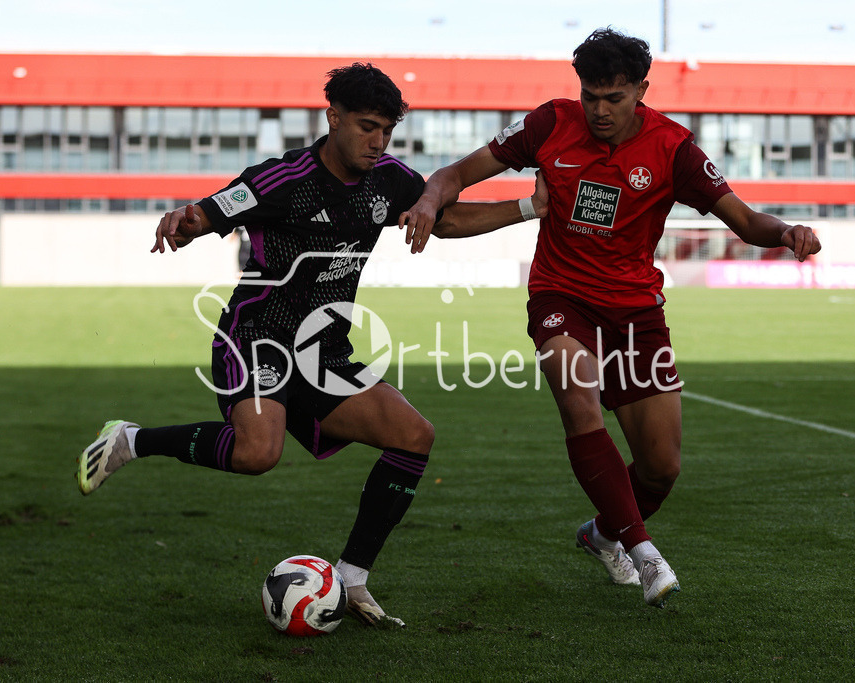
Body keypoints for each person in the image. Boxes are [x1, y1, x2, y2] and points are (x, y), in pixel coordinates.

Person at [77, 63, 545, 628]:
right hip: (256, 339)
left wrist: (529, 208)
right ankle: (132, 440)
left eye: (387, 131)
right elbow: (211, 210)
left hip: (325, 352)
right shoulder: (284, 179)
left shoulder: (389, 178)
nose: (378, 142)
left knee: (413, 436)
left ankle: (351, 578)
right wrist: (186, 219)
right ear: (334, 117)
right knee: (257, 453)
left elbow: (442, 220)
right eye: (367, 127)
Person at [399, 28, 821, 609]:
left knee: (661, 470)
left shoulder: (674, 149)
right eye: (590, 95)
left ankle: (603, 534)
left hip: (636, 313)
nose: (598, 110)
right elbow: (455, 175)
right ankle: (646, 556)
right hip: (561, 297)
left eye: (614, 98)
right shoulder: (549, 124)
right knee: (578, 397)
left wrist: (788, 233)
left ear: (641, 91)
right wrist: (426, 200)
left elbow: (746, 223)